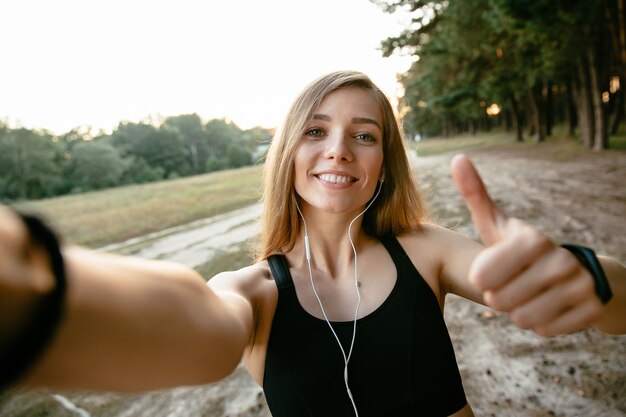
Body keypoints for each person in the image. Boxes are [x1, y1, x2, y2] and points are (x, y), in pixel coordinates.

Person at [1, 70, 624, 417]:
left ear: (385, 163)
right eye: (317, 130)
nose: (338, 150)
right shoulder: (253, 293)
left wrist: (588, 280)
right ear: (288, 152)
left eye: (365, 135)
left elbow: (617, 301)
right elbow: (197, 326)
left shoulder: (427, 250)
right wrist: (32, 289)